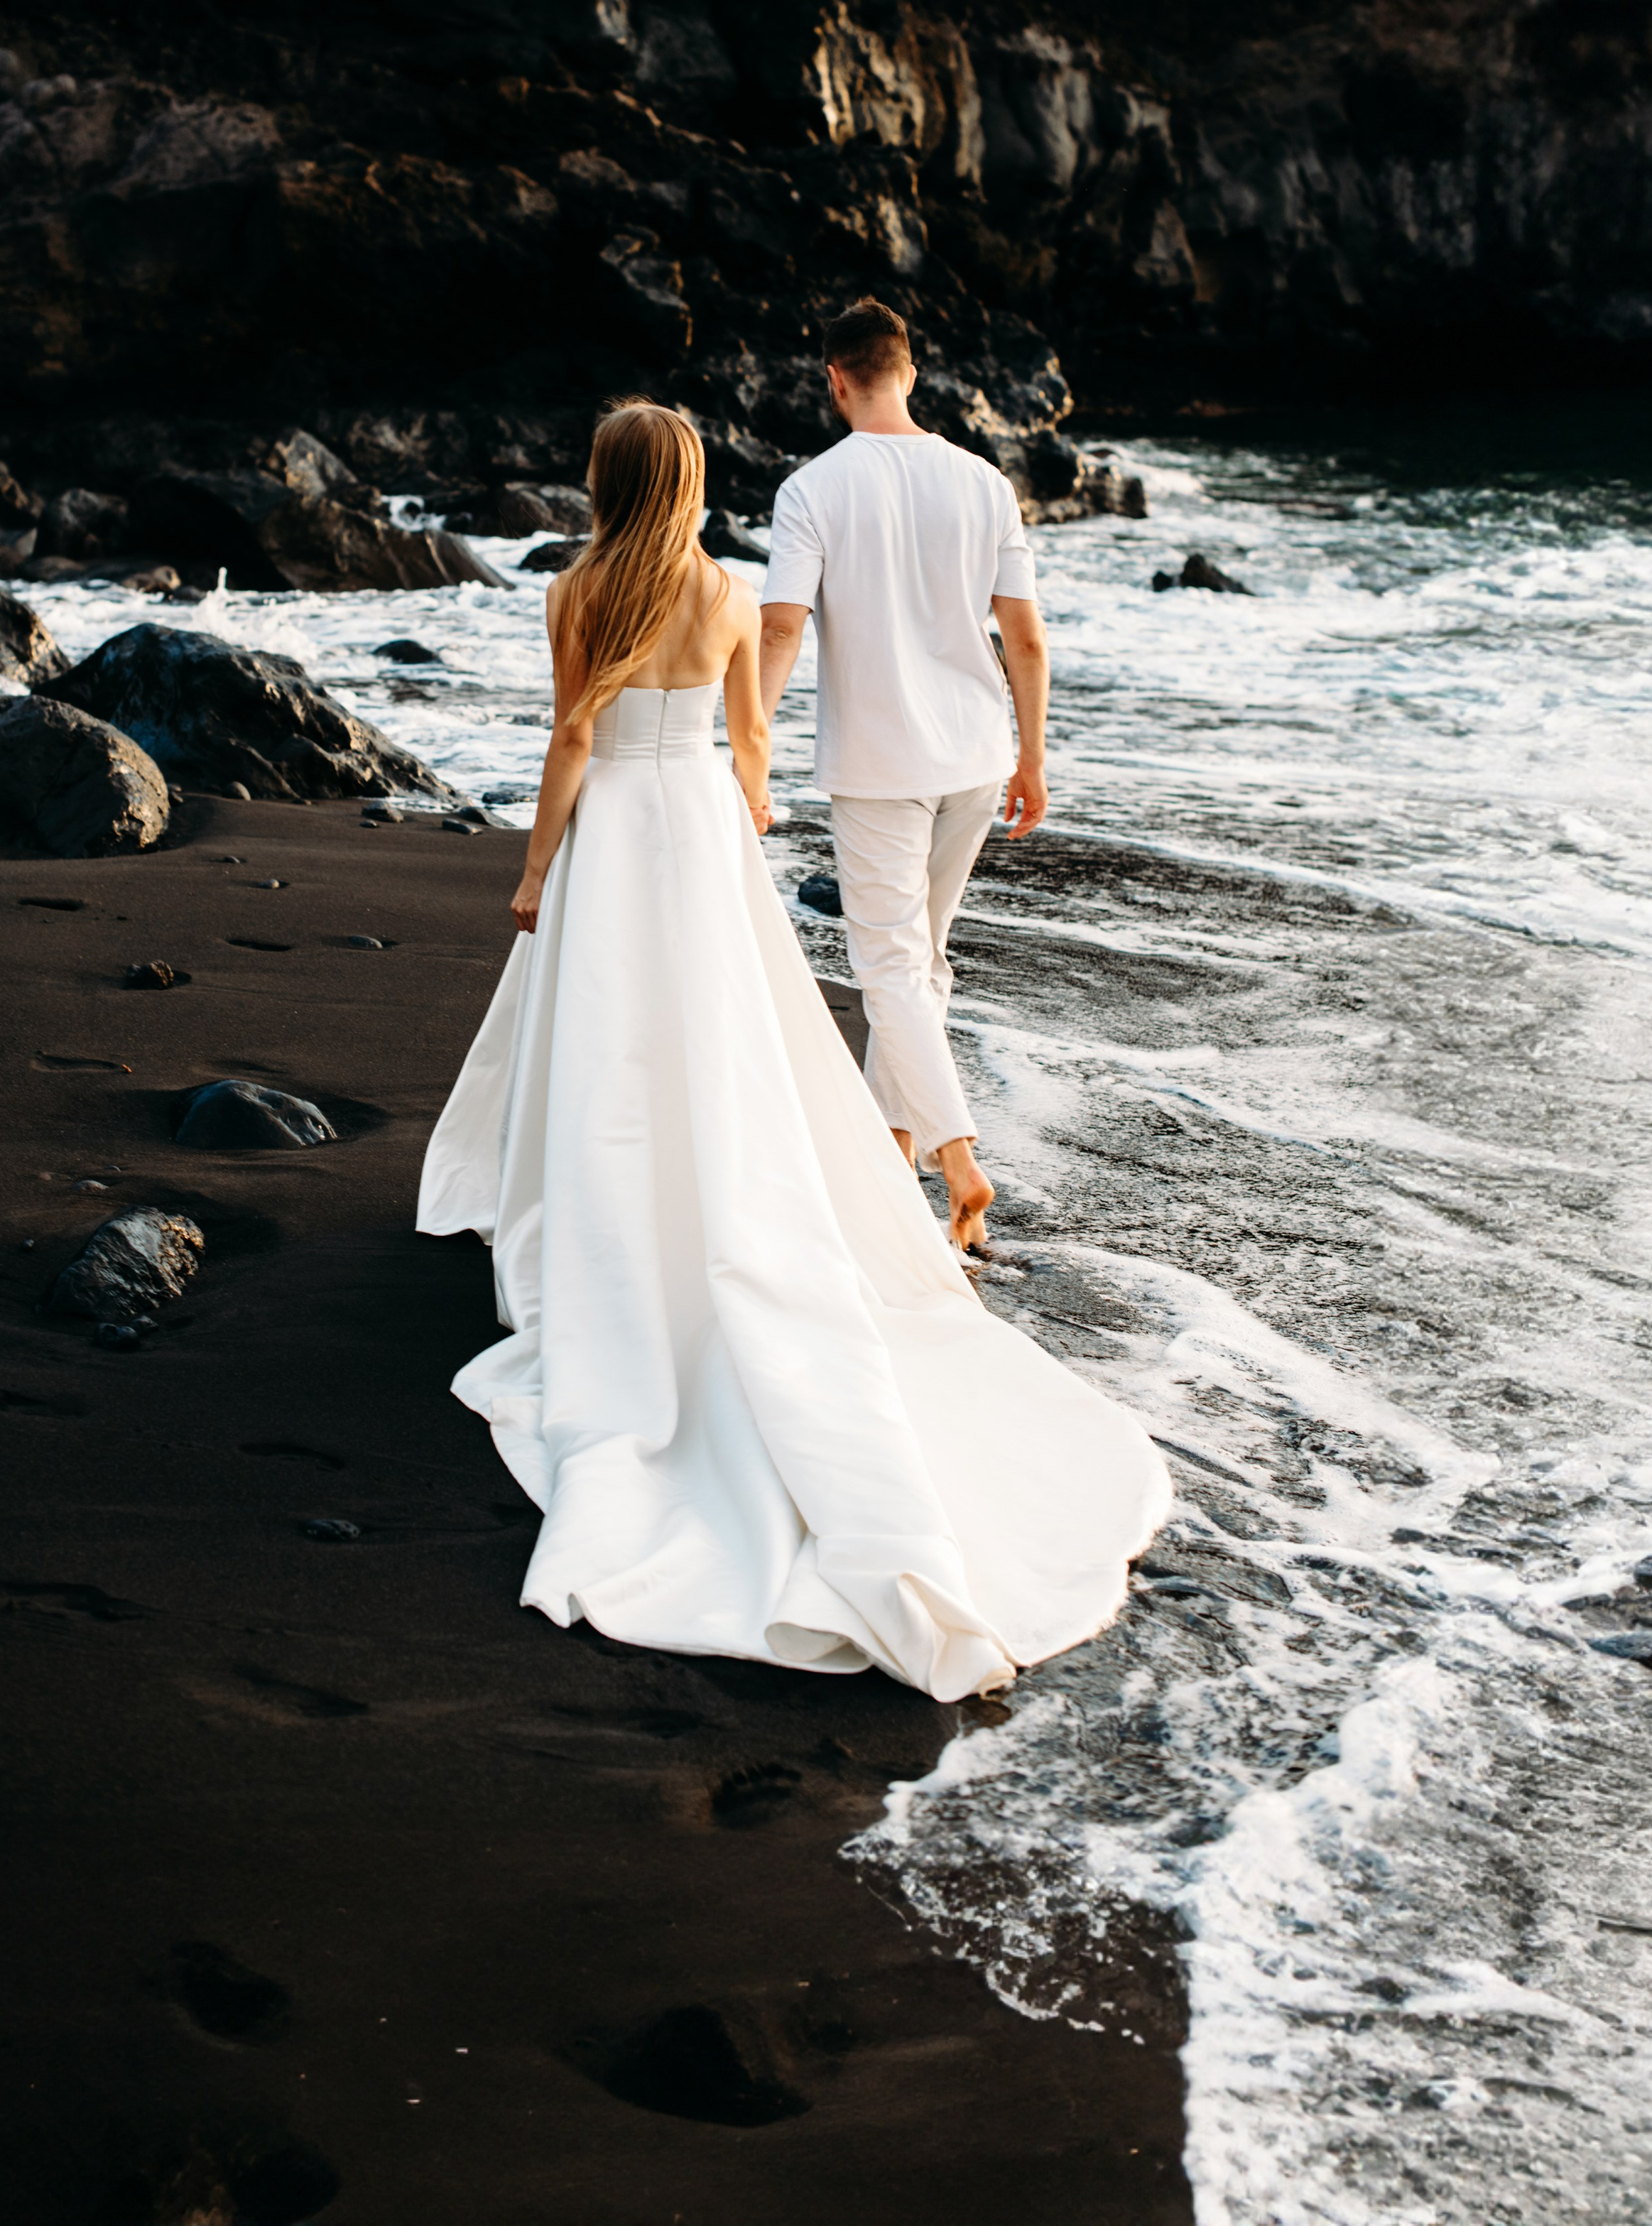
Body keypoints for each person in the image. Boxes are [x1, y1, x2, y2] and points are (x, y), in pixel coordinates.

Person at [418, 398, 1168, 1700]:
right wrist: (752, 801)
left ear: (604, 480)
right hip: (701, 820)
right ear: (693, 480)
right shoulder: (720, 590)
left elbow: (573, 738)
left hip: (619, 826)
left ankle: (604, 1212)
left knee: (613, 1034)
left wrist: (537, 866)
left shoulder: (580, 588)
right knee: (725, 1039)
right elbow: (750, 730)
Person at [759, 299, 1046, 1253]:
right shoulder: (983, 484)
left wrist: (751, 742)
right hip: (977, 752)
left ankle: (960, 1163)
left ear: (834, 380)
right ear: (910, 372)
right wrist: (1034, 757)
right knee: (918, 964)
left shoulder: (812, 490)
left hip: (882, 765)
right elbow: (1026, 638)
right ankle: (892, 1152)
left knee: (890, 967)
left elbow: (780, 625)